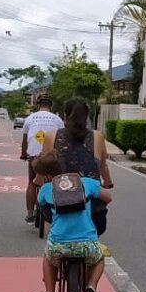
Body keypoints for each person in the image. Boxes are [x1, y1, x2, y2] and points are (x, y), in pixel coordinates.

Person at [33, 151, 111, 292]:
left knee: (47, 257)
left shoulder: (47, 189)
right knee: (99, 258)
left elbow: (41, 204)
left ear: (45, 175)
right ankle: (90, 289)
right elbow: (108, 197)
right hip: (86, 245)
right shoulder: (85, 182)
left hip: (58, 246)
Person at [40, 98, 114, 233]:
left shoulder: (52, 136)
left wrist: (38, 180)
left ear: (64, 115)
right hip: (93, 210)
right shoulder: (97, 137)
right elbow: (103, 167)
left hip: (59, 206)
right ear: (86, 117)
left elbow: (43, 166)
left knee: (52, 238)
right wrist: (108, 182)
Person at [20, 96, 63, 224]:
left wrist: (23, 154)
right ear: (51, 106)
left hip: (34, 156)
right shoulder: (58, 120)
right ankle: (58, 209)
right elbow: (62, 138)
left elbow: (24, 139)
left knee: (32, 183)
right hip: (51, 157)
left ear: (38, 105)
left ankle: (30, 214)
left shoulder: (30, 118)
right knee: (56, 183)